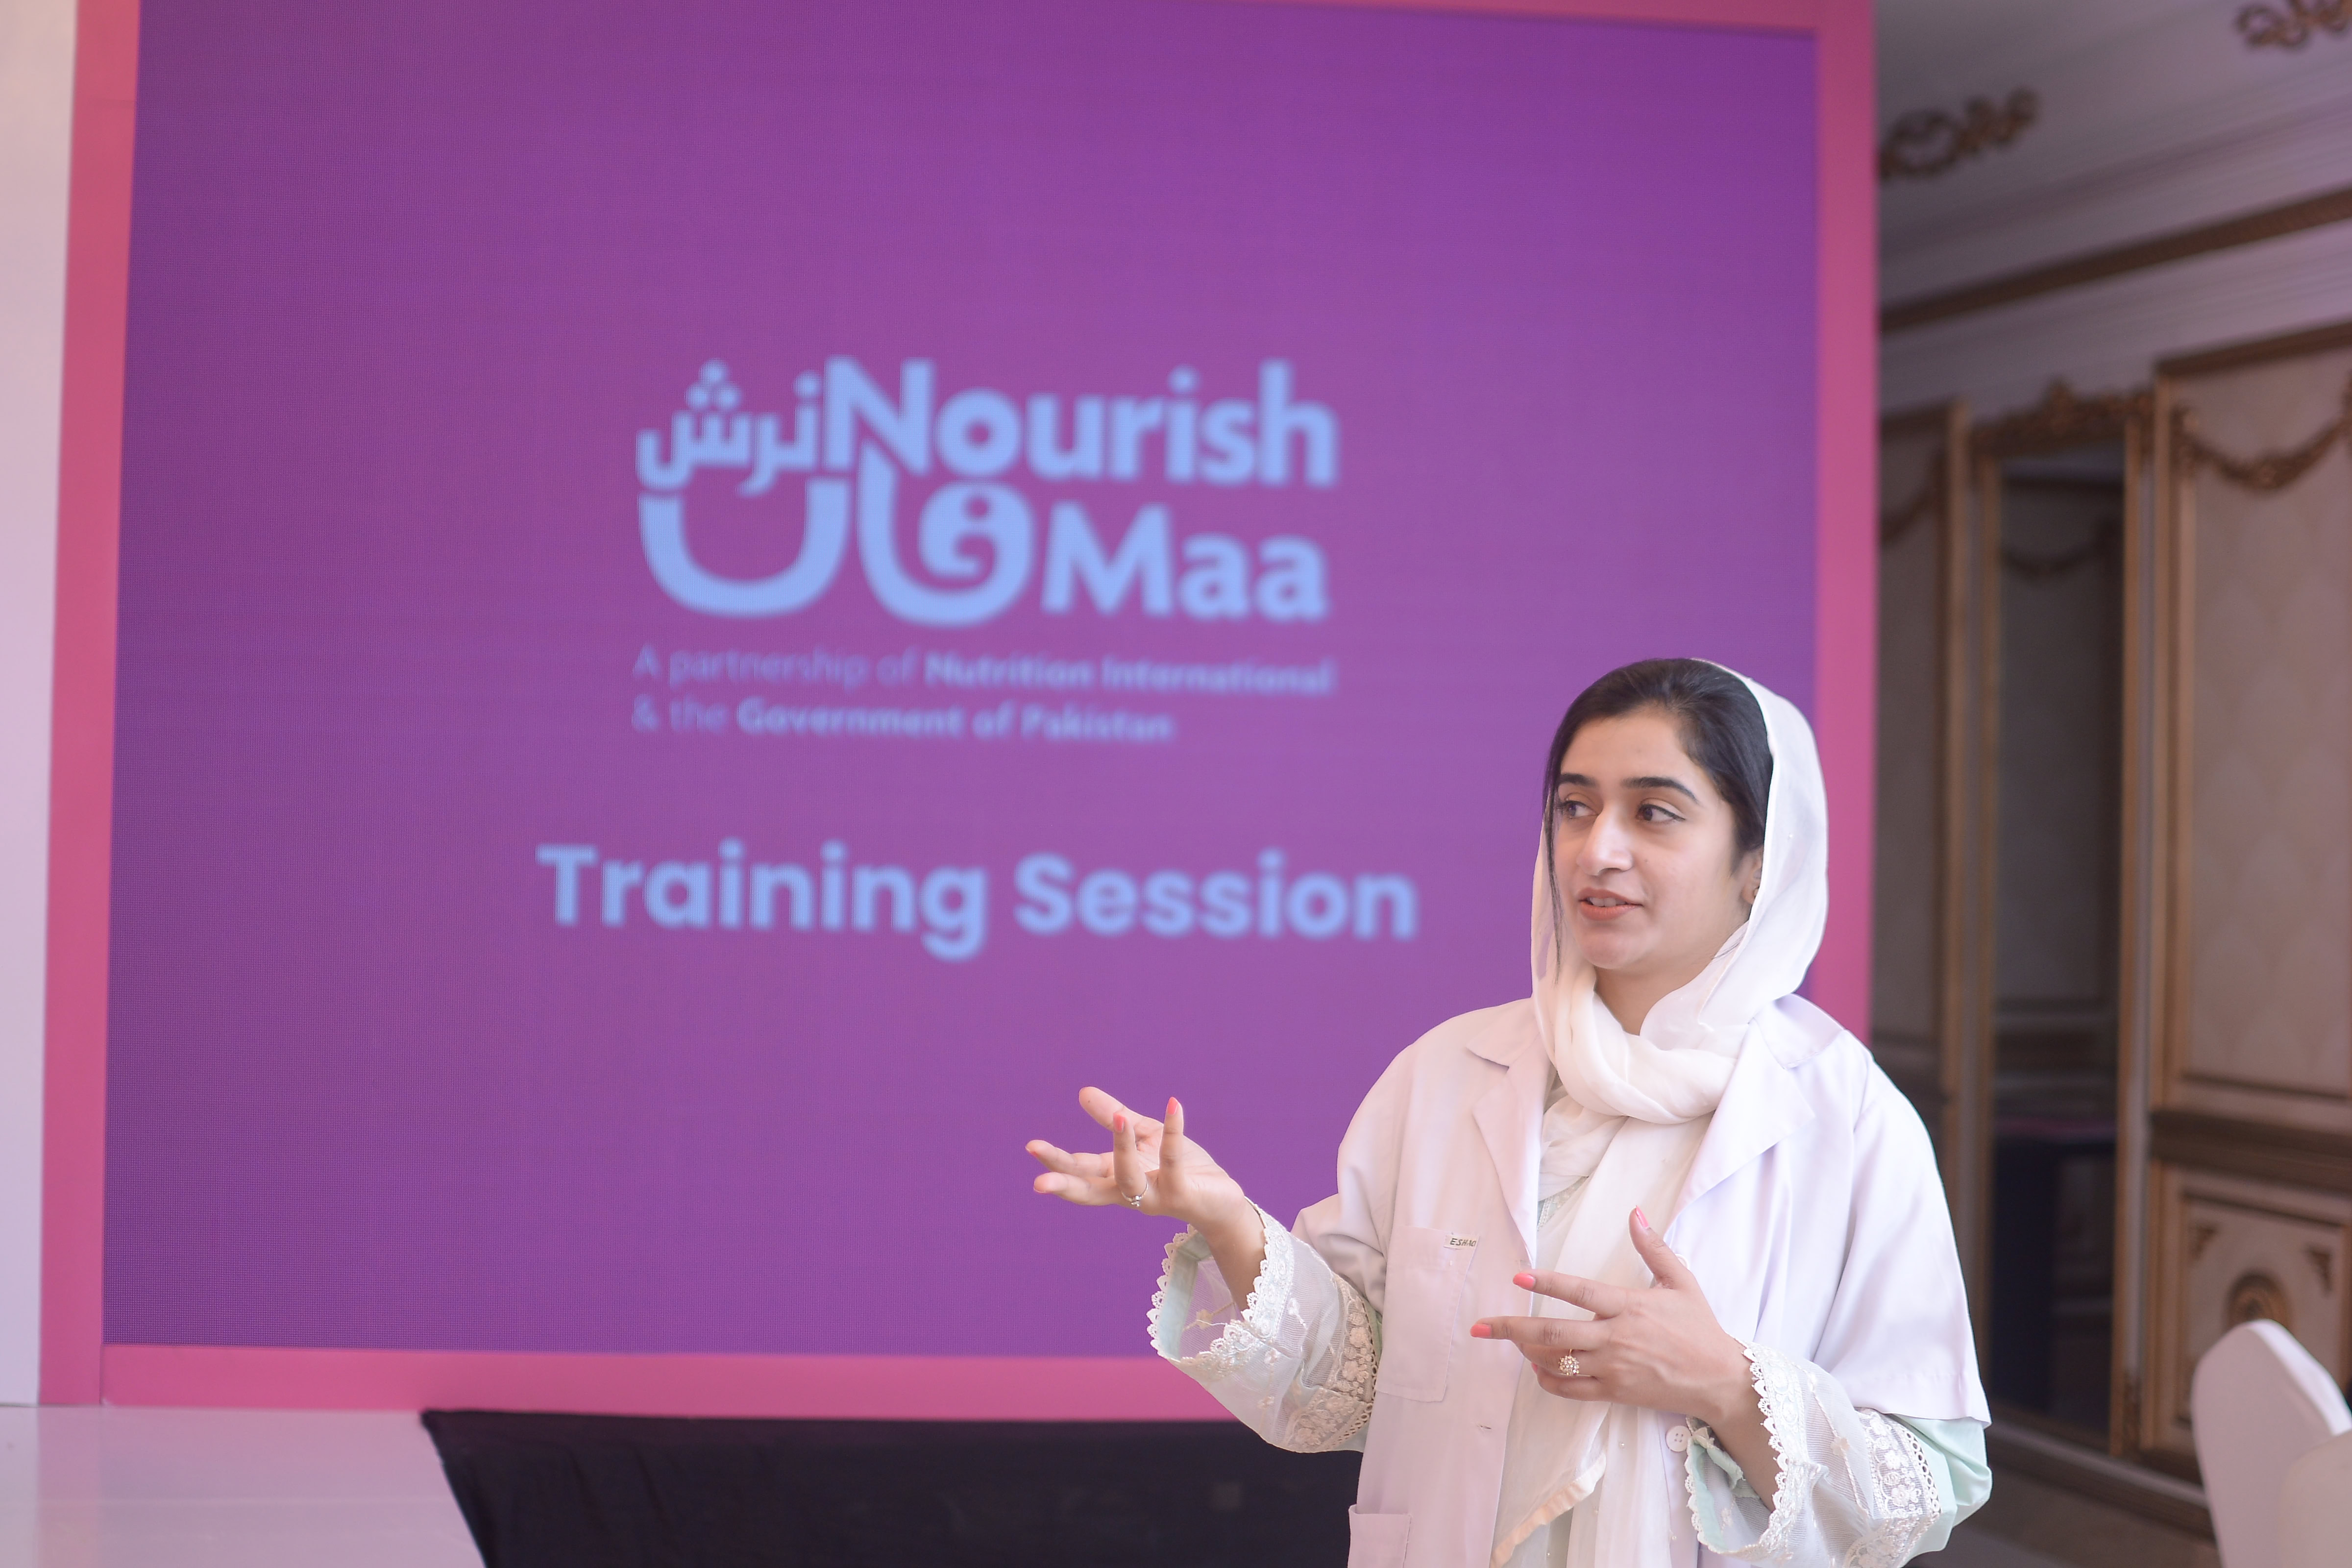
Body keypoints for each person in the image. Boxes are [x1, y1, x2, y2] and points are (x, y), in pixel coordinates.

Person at [1026, 659, 1989, 1568]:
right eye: (1575, 806)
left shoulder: (1843, 1115)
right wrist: (1230, 1220)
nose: (1597, 847)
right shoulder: (1448, 1071)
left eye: (1655, 812)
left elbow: (1927, 1484)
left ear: (1759, 863)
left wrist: (1724, 1383)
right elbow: (1356, 1391)